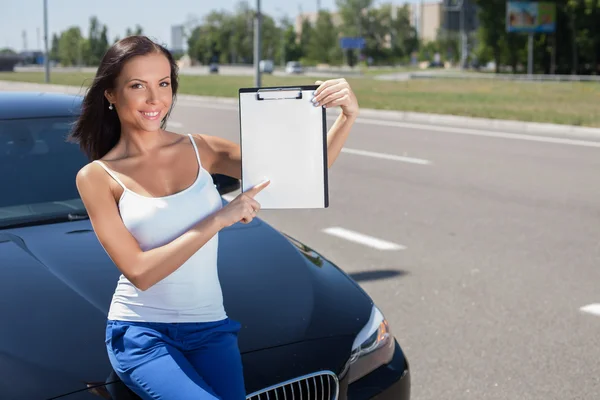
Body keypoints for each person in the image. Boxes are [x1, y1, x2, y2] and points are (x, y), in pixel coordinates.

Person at [69, 35, 359, 400]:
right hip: (142, 334)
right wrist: (221, 217)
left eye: (163, 84)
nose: (154, 99)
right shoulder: (97, 177)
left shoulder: (199, 148)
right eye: (137, 86)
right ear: (111, 93)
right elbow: (140, 272)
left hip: (210, 329)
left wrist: (347, 117)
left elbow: (301, 172)